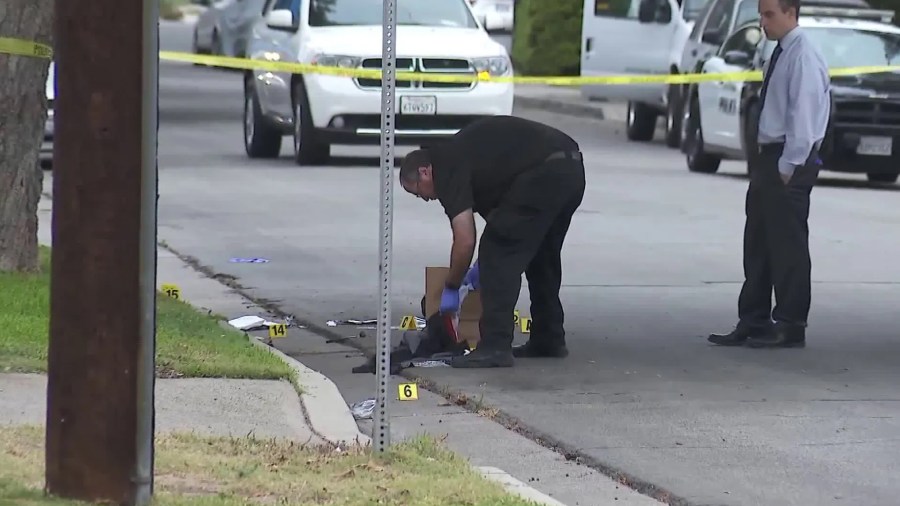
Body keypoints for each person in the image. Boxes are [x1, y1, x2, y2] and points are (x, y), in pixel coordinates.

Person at [398, 115, 586, 368]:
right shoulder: (465, 156)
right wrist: (475, 271)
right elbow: (505, 218)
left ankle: (495, 346)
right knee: (541, 256)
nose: (424, 198)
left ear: (424, 171)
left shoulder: (446, 166)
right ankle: (549, 337)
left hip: (545, 173)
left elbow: (465, 240)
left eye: (418, 191)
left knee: (497, 253)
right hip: (570, 170)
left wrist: (452, 286)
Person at [709, 0, 830, 348]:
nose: (763, 22)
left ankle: (791, 322)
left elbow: (804, 118)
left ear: (791, 12)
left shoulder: (802, 55)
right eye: (761, 14)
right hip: (770, 157)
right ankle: (754, 319)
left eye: (769, 14)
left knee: (787, 245)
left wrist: (788, 165)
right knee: (758, 241)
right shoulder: (781, 51)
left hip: (788, 157)